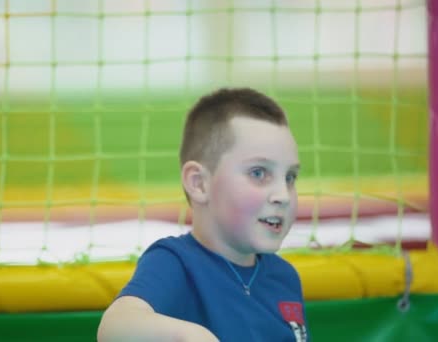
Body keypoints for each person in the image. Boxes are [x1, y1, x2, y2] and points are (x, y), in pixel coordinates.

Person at [97, 88, 307, 341]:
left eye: (290, 177)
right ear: (199, 184)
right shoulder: (176, 262)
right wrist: (188, 334)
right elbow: (115, 326)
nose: (283, 195)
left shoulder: (284, 277)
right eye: (259, 173)